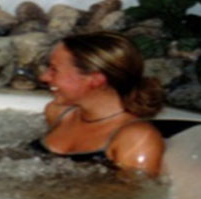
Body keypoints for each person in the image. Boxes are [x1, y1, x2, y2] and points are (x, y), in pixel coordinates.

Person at [34, 31, 167, 176]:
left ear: (95, 80)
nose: (44, 77)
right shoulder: (58, 113)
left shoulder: (137, 139)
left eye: (54, 70)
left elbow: (138, 190)